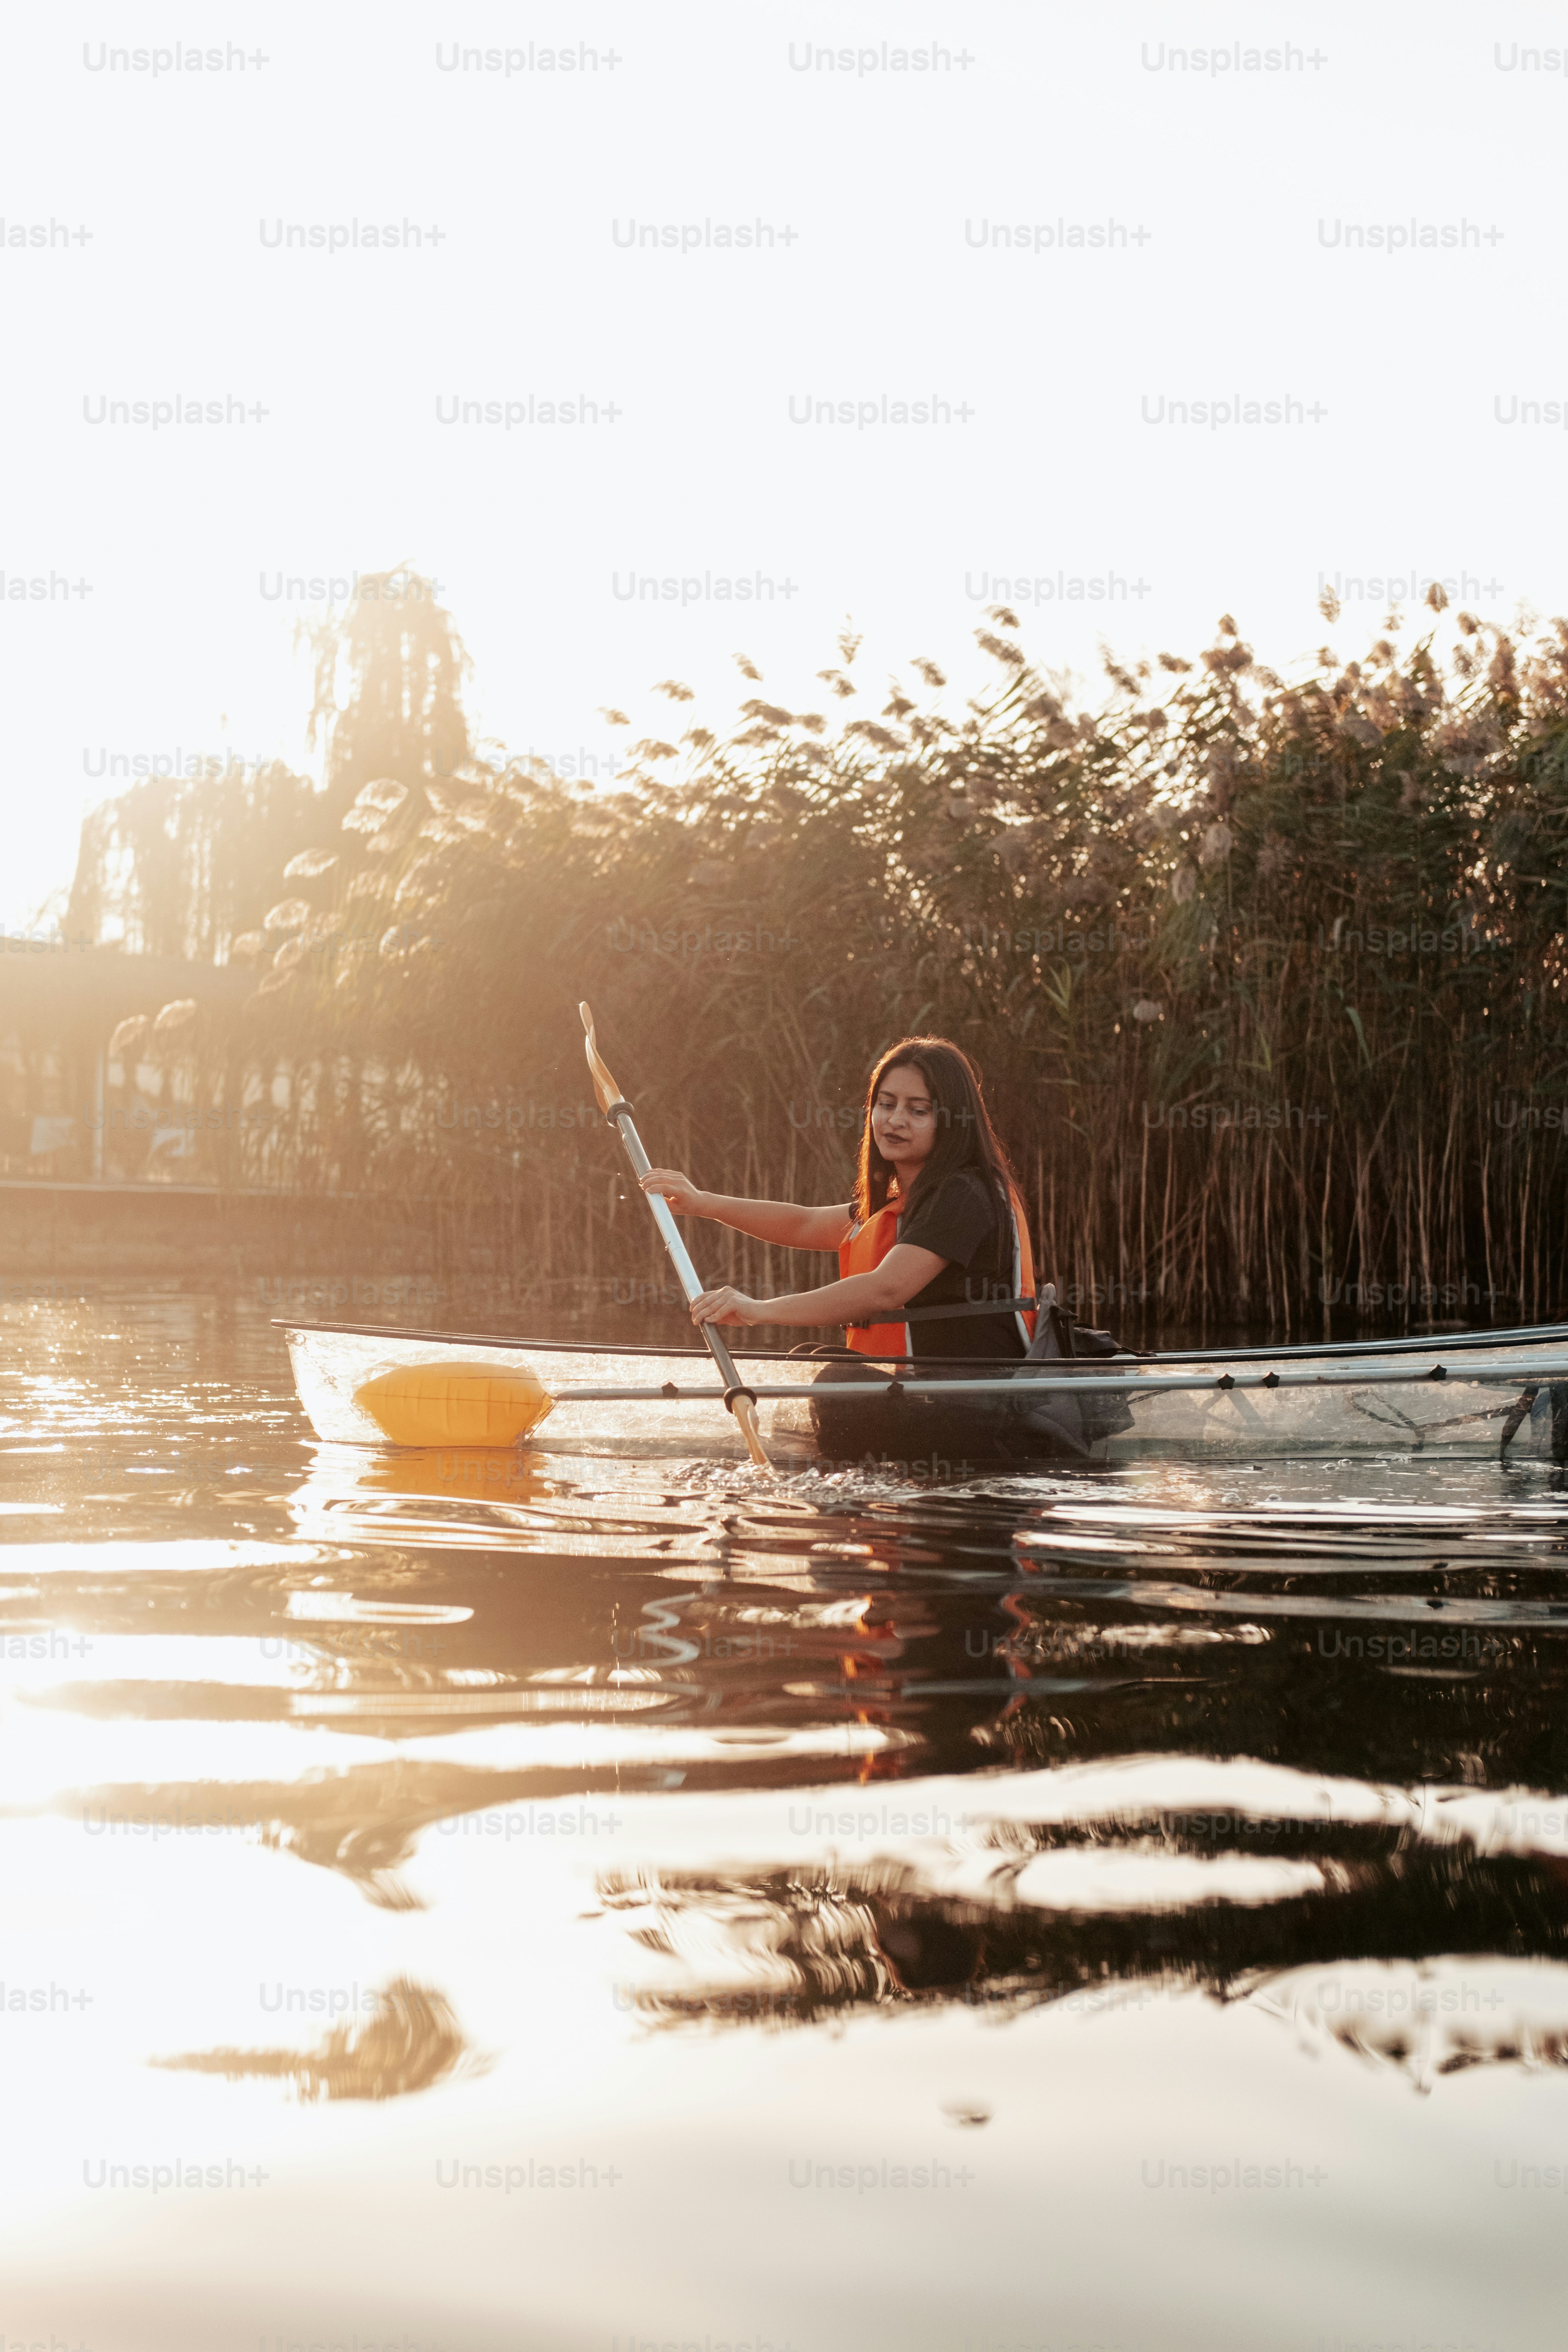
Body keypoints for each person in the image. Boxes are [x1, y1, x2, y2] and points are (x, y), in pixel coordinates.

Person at [639, 1036, 1037, 1359]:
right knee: (810, 1359)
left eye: (918, 1111)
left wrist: (759, 1311)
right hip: (923, 1391)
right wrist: (701, 1202)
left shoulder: (965, 1194)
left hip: (979, 1403)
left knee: (834, 1378)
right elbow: (804, 1223)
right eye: (885, 1104)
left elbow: (885, 1290)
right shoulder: (905, 1201)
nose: (894, 1120)